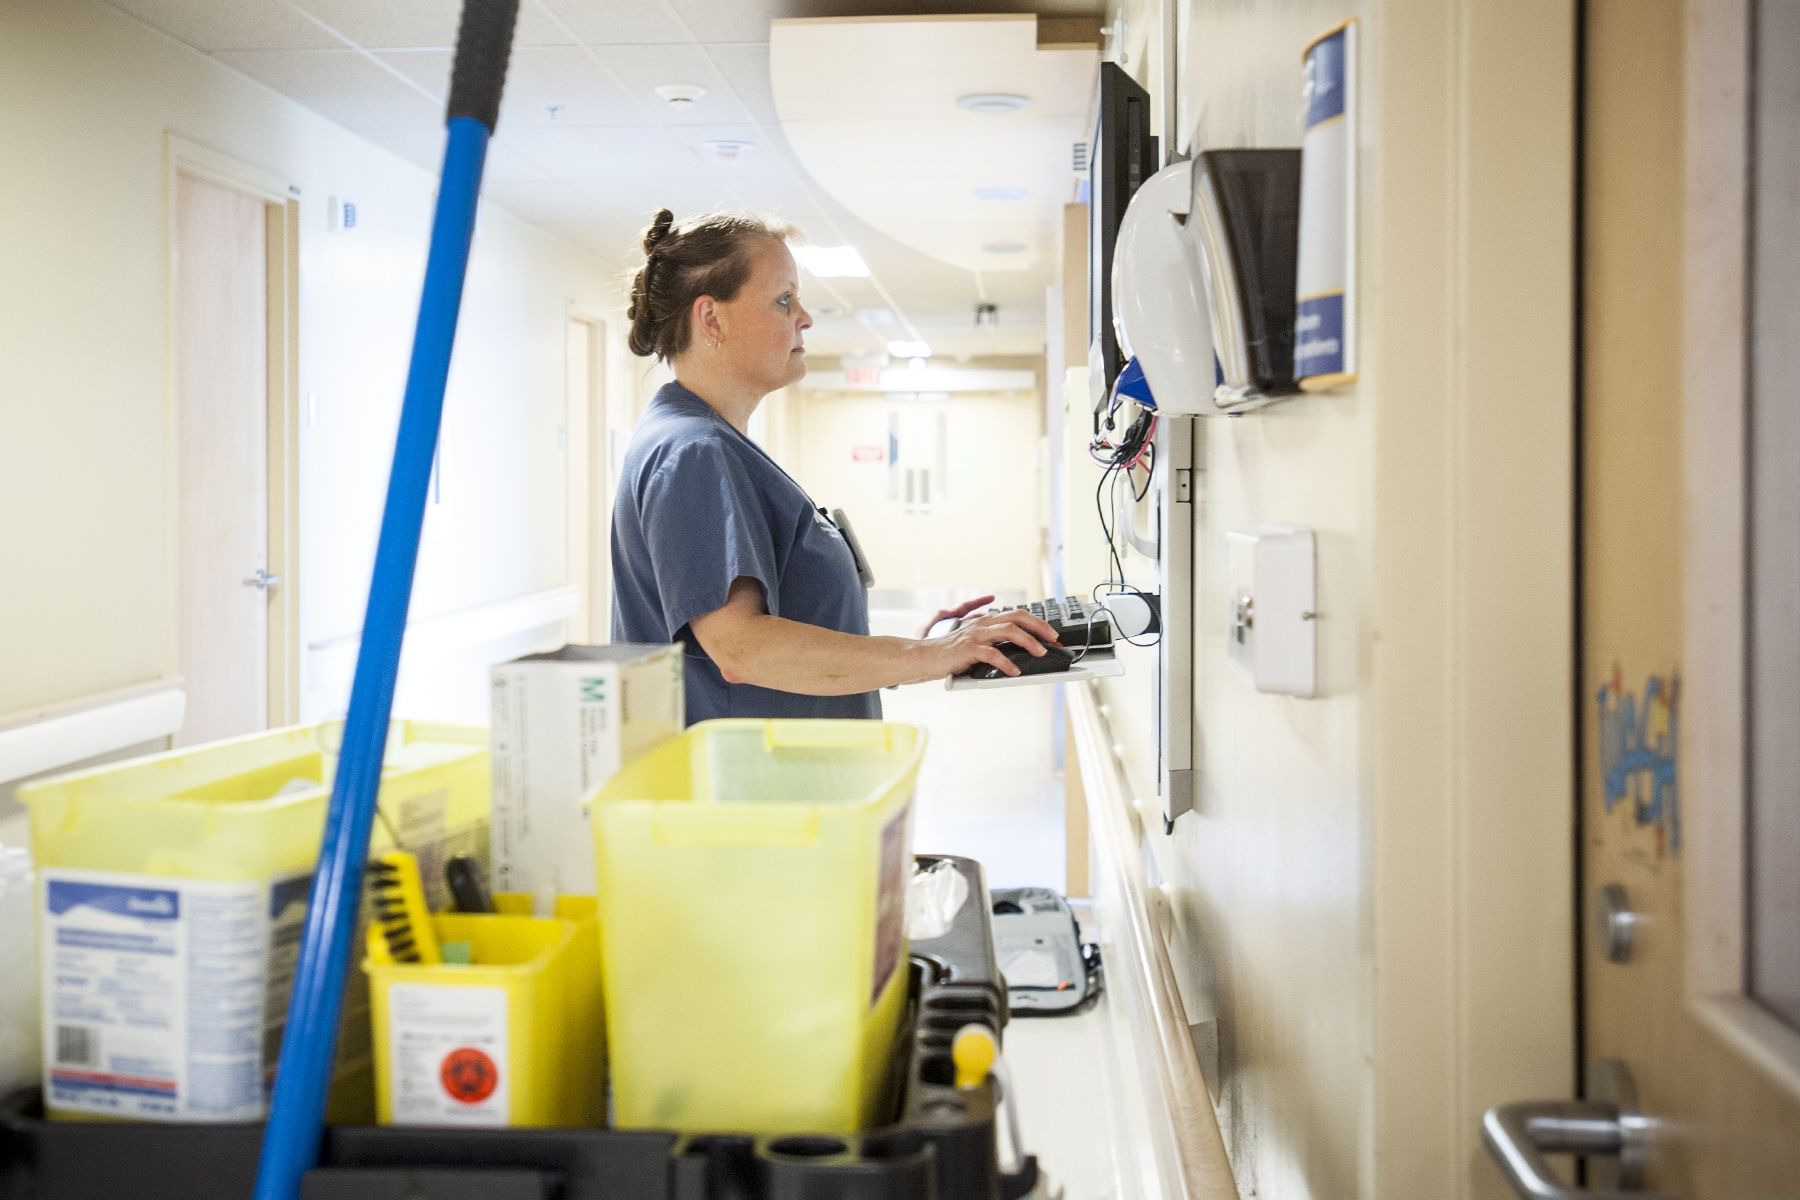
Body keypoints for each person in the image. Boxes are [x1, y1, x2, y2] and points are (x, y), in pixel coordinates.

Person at [610, 208, 1059, 724]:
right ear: (711, 318)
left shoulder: (703, 441)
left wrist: (918, 650)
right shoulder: (692, 450)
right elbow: (741, 649)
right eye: (783, 300)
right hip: (747, 789)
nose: (804, 317)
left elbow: (779, 635)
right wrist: (934, 656)